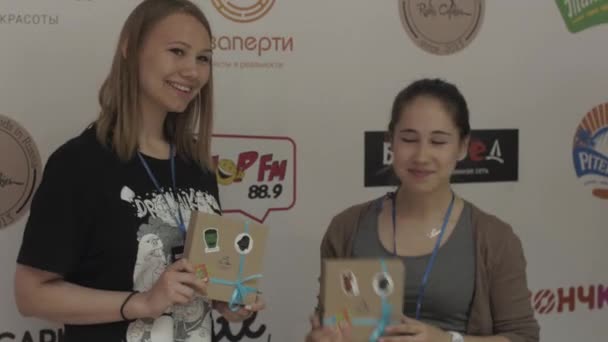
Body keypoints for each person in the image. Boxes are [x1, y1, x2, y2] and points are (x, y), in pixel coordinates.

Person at [13, 1, 264, 341]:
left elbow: (208, 280)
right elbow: (30, 295)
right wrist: (141, 303)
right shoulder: (79, 164)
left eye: (203, 58)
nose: (193, 71)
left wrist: (226, 301)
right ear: (130, 47)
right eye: (177, 51)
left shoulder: (199, 167)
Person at [306, 79, 539, 342]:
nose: (421, 155)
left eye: (438, 142)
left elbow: (523, 337)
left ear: (462, 146)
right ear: (390, 141)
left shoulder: (495, 238)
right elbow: (329, 326)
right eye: (408, 139)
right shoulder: (347, 228)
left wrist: (445, 340)